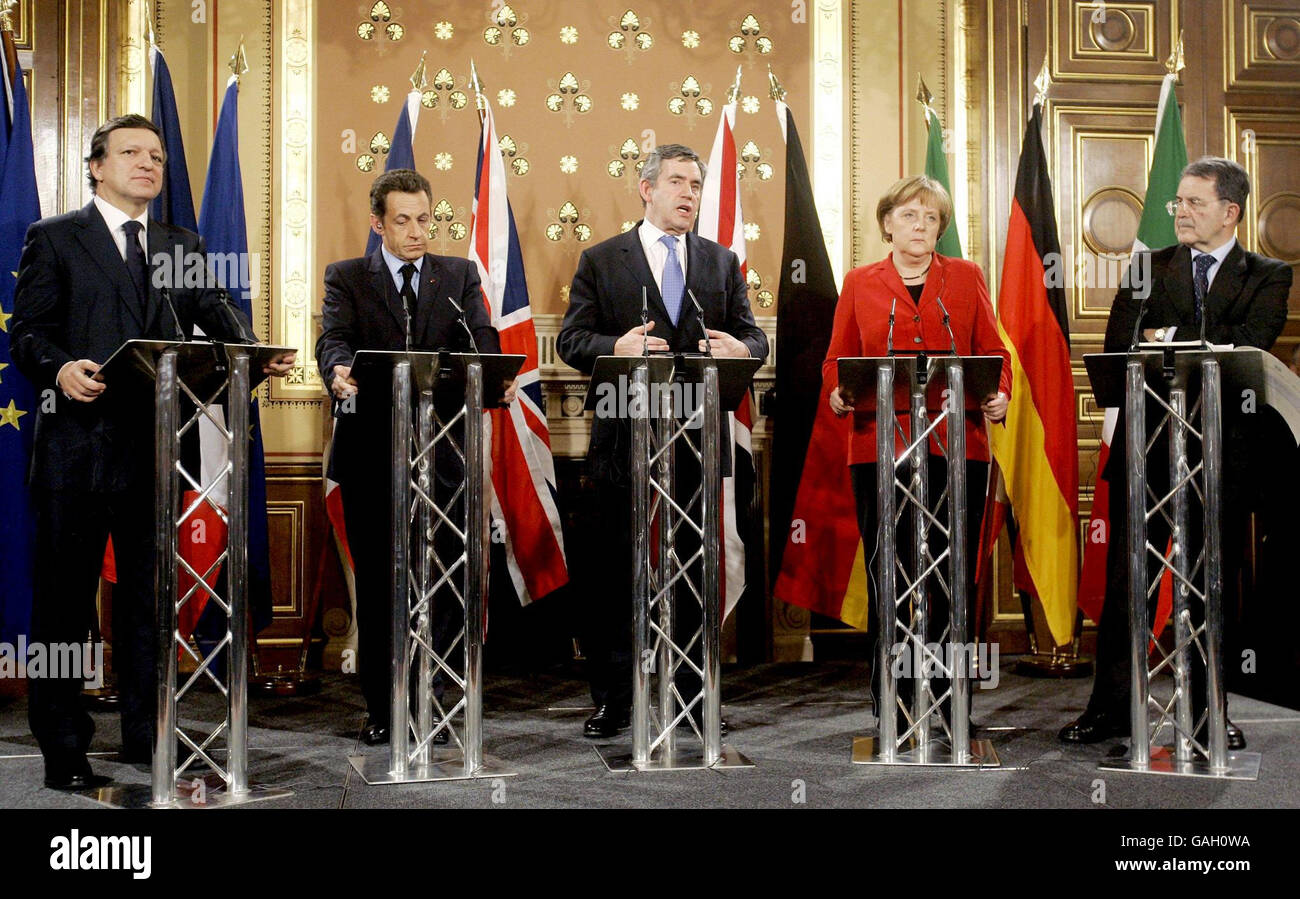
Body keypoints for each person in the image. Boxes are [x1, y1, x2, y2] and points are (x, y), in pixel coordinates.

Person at [10, 114, 296, 789]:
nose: (148, 163)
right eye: (132, 152)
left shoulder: (180, 243)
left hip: (153, 456)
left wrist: (254, 354)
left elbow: (218, 314)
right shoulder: (55, 239)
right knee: (64, 607)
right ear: (96, 166)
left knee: (147, 602)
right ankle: (62, 742)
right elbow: (27, 333)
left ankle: (146, 728)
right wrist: (58, 368)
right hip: (73, 456)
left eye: (158, 155)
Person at [1059, 157, 1292, 748]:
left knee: (1208, 584)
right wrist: (1183, 345)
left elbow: (1248, 347)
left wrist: (1172, 343)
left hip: (1223, 458)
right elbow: (1120, 347)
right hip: (1150, 451)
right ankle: (1110, 708)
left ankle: (1208, 710)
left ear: (1230, 211)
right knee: (1127, 586)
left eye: (1194, 203)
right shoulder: (1148, 268)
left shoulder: (1267, 274)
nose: (1181, 212)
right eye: (1177, 202)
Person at [556, 144, 768, 738]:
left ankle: (694, 698)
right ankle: (616, 700)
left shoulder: (721, 262)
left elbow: (754, 339)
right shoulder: (602, 259)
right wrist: (614, 348)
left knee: (694, 571)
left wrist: (744, 351)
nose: (689, 195)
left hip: (697, 440)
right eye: (677, 182)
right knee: (615, 576)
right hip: (625, 436)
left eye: (696, 185)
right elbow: (570, 341)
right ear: (645, 189)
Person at [316, 168, 508, 747]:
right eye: (402, 221)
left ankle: (430, 697)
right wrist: (337, 370)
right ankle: (384, 708)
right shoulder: (348, 277)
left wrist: (488, 363)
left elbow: (483, 341)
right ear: (378, 224)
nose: (417, 231)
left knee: (441, 582)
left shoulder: (458, 274)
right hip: (372, 456)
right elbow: (335, 339)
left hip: (443, 454)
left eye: (425, 219)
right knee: (380, 587)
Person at [824, 175, 1010, 735]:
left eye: (931, 219)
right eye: (909, 216)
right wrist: (837, 391)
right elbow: (837, 360)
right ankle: (896, 700)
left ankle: (951, 702)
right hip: (881, 447)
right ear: (887, 223)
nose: (920, 227)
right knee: (894, 573)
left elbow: (994, 351)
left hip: (956, 446)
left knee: (950, 577)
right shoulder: (860, 282)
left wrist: (997, 393)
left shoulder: (967, 277)